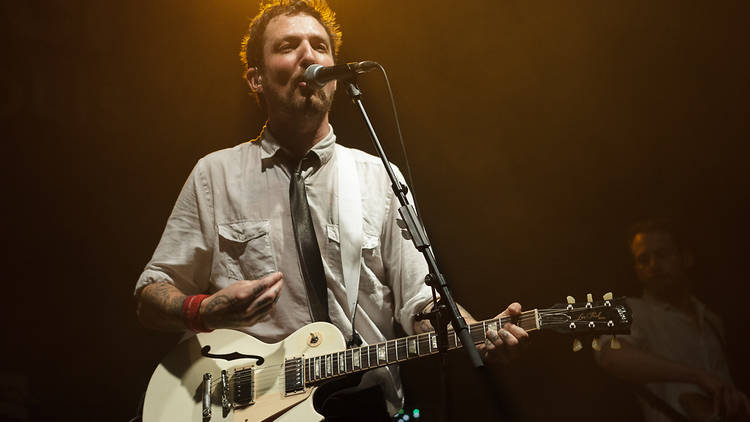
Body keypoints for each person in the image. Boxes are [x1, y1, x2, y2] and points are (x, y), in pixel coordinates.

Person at [134, 1, 527, 420]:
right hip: (250, 408)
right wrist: (204, 310)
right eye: (288, 46)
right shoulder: (215, 175)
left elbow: (419, 302)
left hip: (365, 407)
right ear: (256, 78)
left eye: (320, 46)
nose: (309, 56)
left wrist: (477, 334)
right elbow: (150, 294)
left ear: (336, 75)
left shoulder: (378, 176)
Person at [597, 219, 750, 422]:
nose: (653, 265)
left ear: (686, 258)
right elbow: (611, 356)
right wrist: (696, 376)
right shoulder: (630, 309)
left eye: (661, 255)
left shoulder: (713, 320)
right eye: (643, 260)